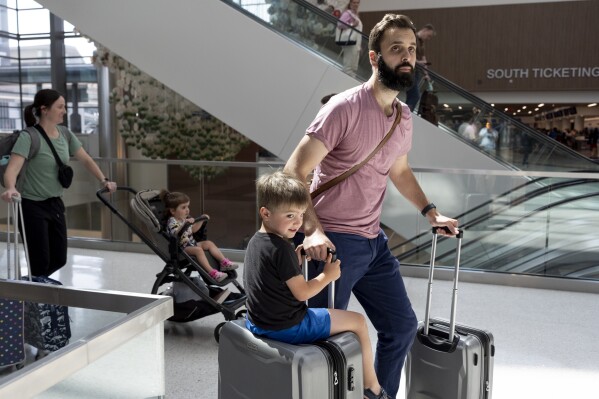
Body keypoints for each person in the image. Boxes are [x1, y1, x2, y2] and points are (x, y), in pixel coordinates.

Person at [284, 14, 459, 398]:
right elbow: (294, 170)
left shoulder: (403, 117)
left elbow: (399, 171)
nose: (407, 57)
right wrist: (312, 229)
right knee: (319, 342)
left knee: (400, 328)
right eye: (396, 49)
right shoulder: (343, 108)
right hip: (331, 244)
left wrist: (432, 212)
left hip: (373, 242)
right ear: (375, 57)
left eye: (411, 49)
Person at [244, 170, 390, 399]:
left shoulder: (256, 241)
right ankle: (372, 388)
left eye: (301, 215)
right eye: (290, 215)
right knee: (358, 322)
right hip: (287, 327)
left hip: (258, 323)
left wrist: (295, 259)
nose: (298, 222)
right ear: (265, 213)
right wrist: (328, 275)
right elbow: (302, 293)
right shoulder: (281, 249)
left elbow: (272, 277)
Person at [0, 89, 117, 277]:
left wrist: (103, 179)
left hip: (55, 203)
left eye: (65, 106)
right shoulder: (28, 137)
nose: (64, 111)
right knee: (40, 260)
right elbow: (12, 169)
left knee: (59, 258)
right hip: (31, 206)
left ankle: (35, 286)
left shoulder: (65, 133)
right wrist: (11, 188)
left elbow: (86, 159)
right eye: (60, 107)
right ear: (45, 109)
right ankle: (37, 299)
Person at [160, 190, 238, 283]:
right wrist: (185, 224)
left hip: (191, 243)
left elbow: (193, 230)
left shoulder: (184, 219)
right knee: (198, 250)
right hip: (181, 248)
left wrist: (201, 220)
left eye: (188, 206)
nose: (187, 210)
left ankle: (224, 262)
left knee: (208, 243)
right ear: (173, 211)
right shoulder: (172, 221)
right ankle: (212, 273)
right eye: (183, 207)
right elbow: (176, 234)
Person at [404, 23, 436, 112]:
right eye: (428, 36)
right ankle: (405, 115)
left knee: (412, 95)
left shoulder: (422, 43)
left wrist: (426, 74)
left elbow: (423, 58)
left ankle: (404, 115)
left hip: (416, 71)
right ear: (425, 30)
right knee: (415, 95)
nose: (428, 38)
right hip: (409, 70)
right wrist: (420, 62)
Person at [337, 0, 362, 74]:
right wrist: (352, 24)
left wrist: (359, 46)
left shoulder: (356, 15)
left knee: (353, 66)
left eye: (357, 3)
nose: (356, 4)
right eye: (354, 2)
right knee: (348, 66)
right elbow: (339, 24)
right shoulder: (347, 13)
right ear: (350, 3)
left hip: (355, 44)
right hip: (350, 43)